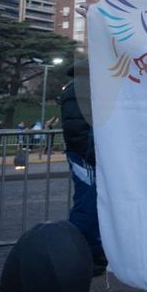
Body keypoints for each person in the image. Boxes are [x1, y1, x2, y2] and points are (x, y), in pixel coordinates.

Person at [59, 62, 107, 276]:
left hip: (87, 154)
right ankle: (83, 253)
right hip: (86, 156)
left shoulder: (81, 87)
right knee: (87, 205)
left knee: (91, 204)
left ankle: (92, 252)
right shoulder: (81, 88)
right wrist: (94, 156)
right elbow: (78, 128)